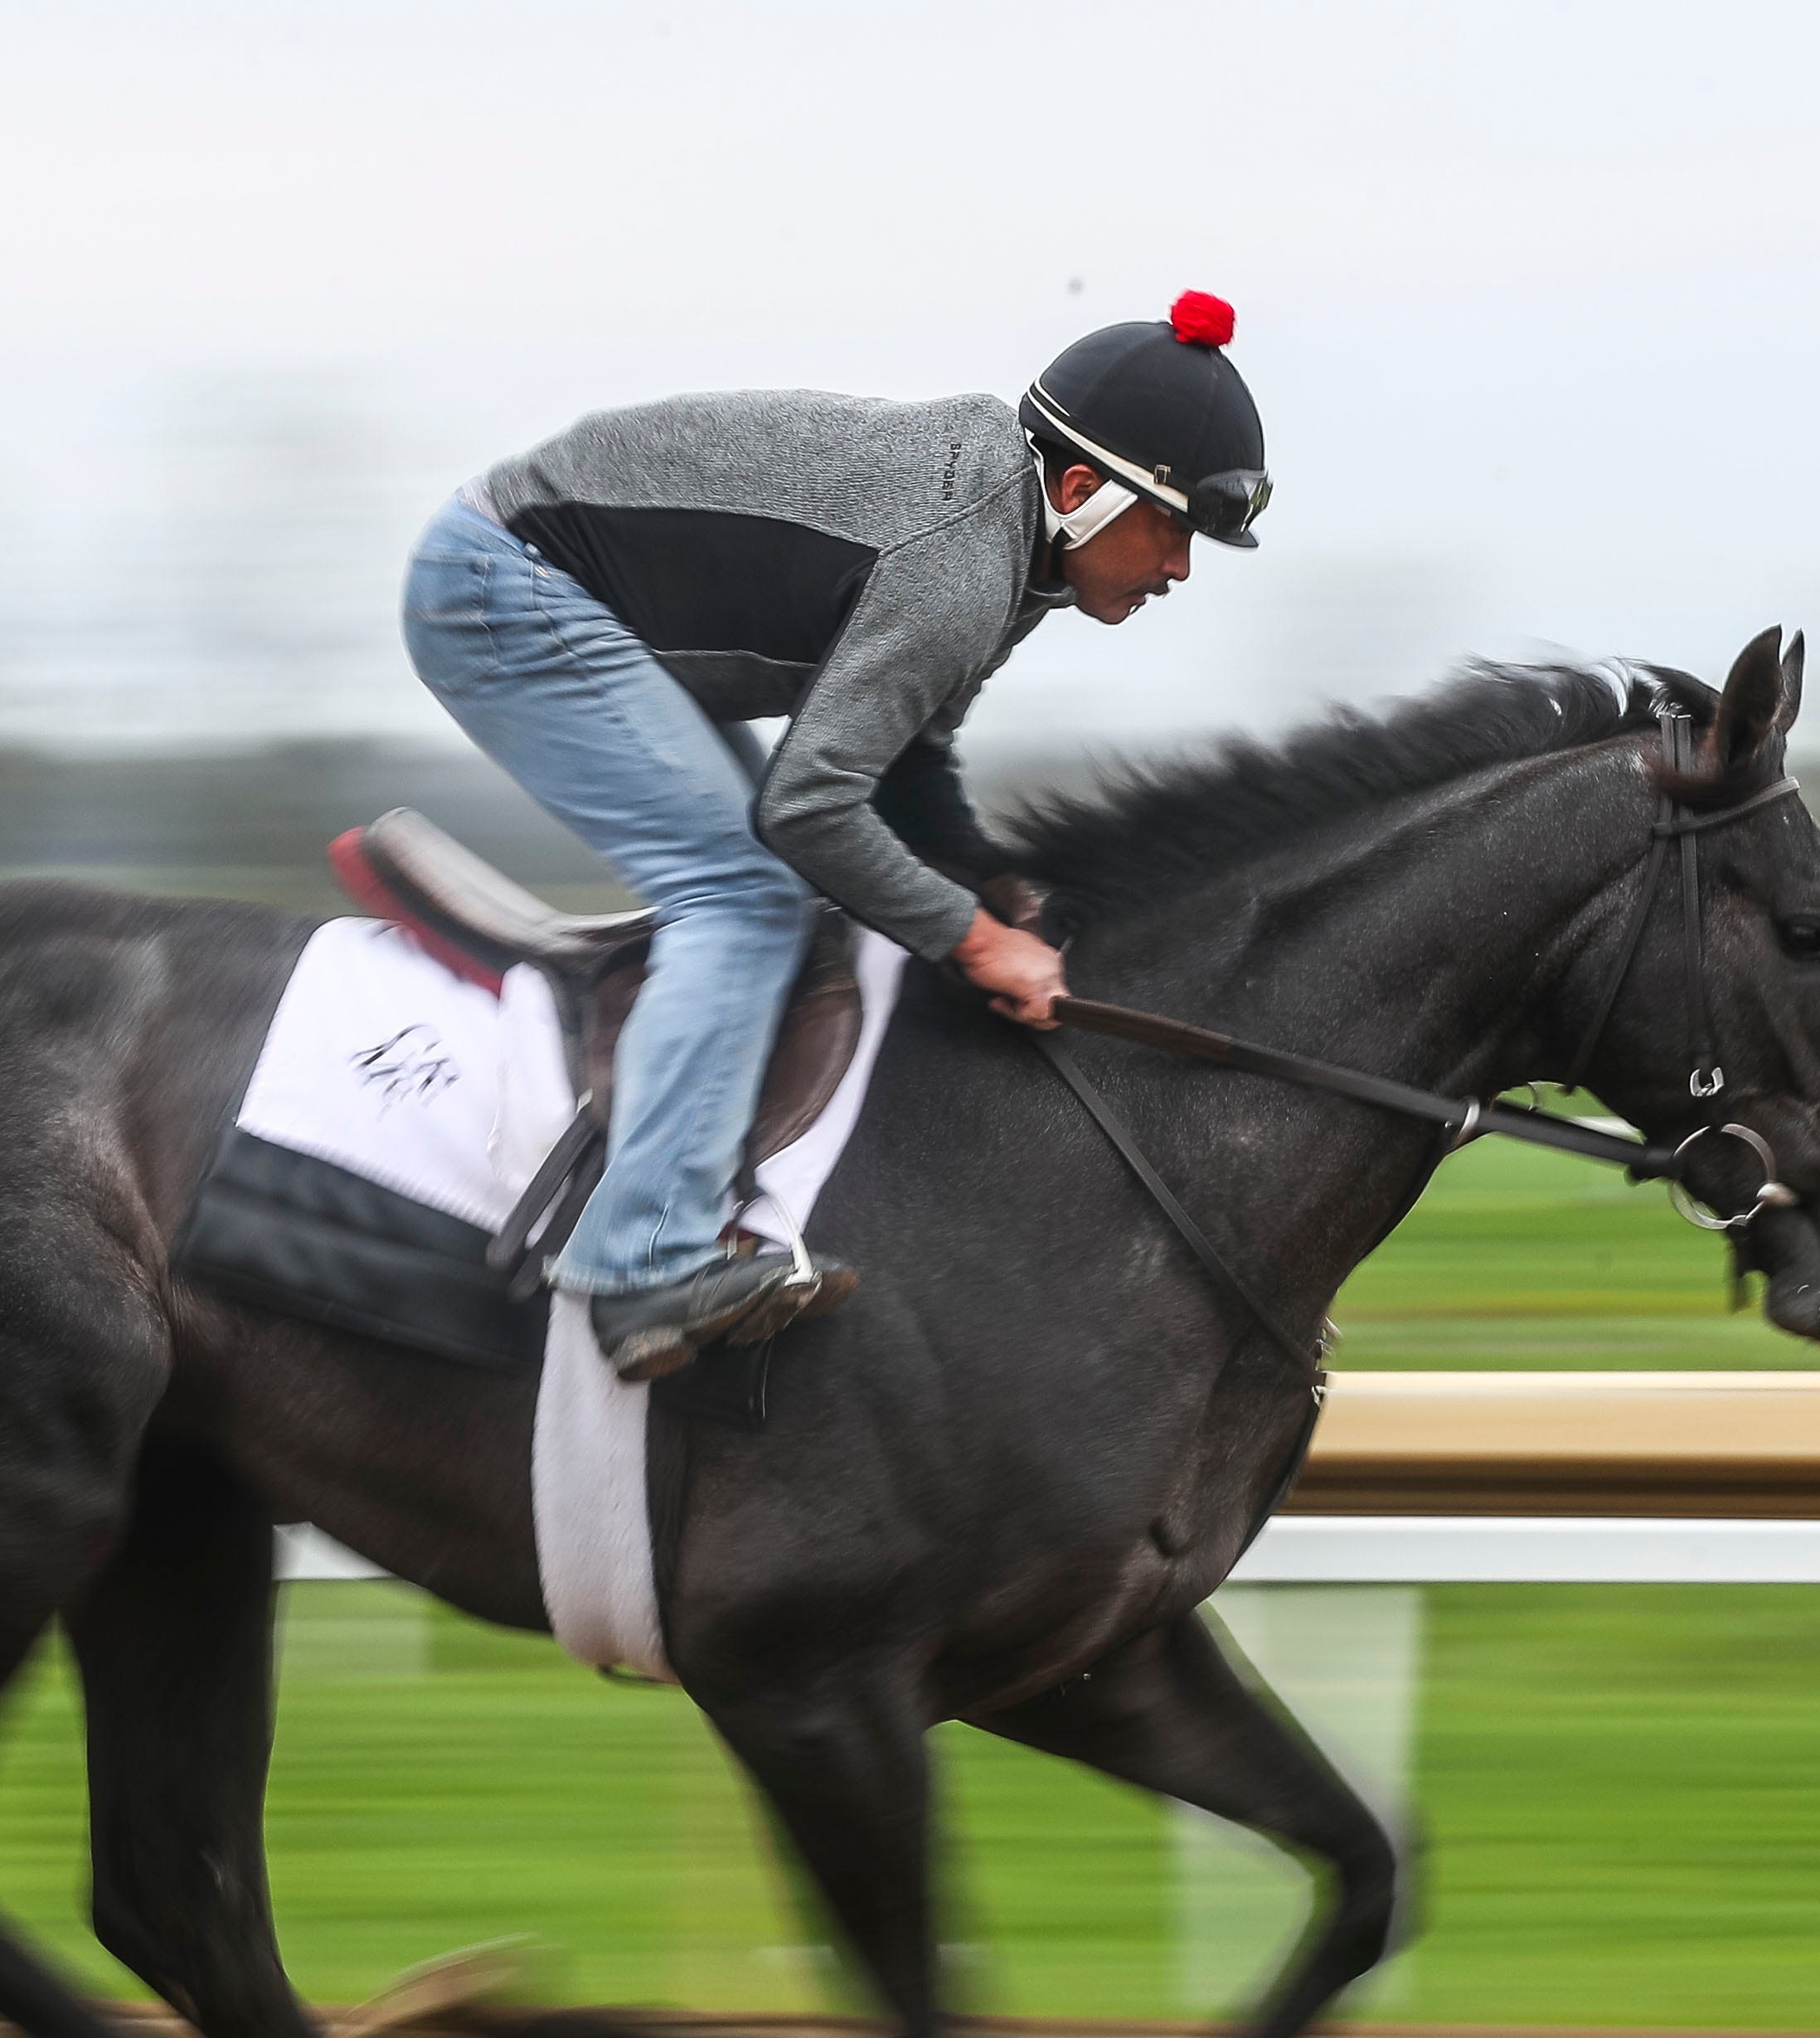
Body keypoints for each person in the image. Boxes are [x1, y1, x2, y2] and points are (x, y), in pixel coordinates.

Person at [405, 291, 1269, 1382]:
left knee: (776, 890)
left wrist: (1004, 899)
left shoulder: (1018, 549)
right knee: (744, 898)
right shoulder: (961, 564)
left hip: (560, 583)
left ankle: (687, 1191)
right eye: (1174, 528)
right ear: (1084, 491)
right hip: (498, 585)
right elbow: (806, 807)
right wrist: (969, 939)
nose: (1179, 568)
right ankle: (639, 1264)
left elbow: (906, 767)